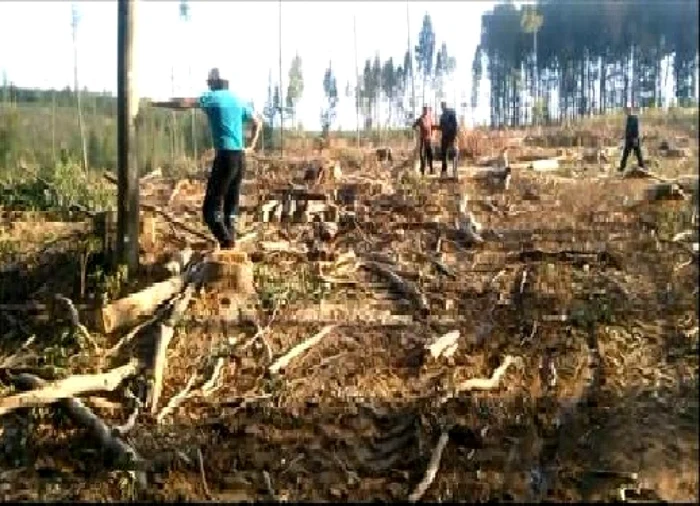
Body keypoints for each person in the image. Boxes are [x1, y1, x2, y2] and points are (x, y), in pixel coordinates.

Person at [153, 68, 262, 249]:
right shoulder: (238, 100)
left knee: (210, 210)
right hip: (240, 157)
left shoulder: (214, 97)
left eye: (209, 83)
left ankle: (228, 243)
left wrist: (157, 103)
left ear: (215, 82)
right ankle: (229, 247)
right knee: (230, 208)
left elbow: (184, 103)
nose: (208, 86)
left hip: (225, 157)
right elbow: (257, 122)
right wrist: (251, 145)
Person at [619, 106, 644, 172]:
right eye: (626, 111)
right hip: (628, 140)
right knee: (625, 154)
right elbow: (627, 130)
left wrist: (635, 138)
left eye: (628, 110)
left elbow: (636, 129)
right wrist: (624, 137)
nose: (627, 112)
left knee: (638, 154)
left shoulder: (635, 118)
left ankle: (642, 166)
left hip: (634, 139)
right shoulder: (628, 119)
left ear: (630, 110)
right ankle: (622, 168)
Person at [437, 101, 459, 177]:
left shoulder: (451, 113)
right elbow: (441, 127)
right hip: (445, 136)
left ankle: (455, 172)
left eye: (443, 106)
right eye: (441, 106)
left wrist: (455, 136)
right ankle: (444, 172)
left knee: (454, 153)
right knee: (444, 153)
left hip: (451, 136)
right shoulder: (442, 116)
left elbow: (455, 125)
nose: (442, 107)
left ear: (445, 105)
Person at [412, 106, 435, 175]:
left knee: (430, 155)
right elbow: (413, 126)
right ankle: (422, 170)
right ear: (423, 111)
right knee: (422, 155)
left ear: (428, 111)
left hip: (429, 140)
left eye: (426, 110)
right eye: (424, 110)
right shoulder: (420, 119)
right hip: (422, 139)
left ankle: (431, 169)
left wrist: (432, 136)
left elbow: (433, 127)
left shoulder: (429, 119)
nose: (426, 112)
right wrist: (418, 131)